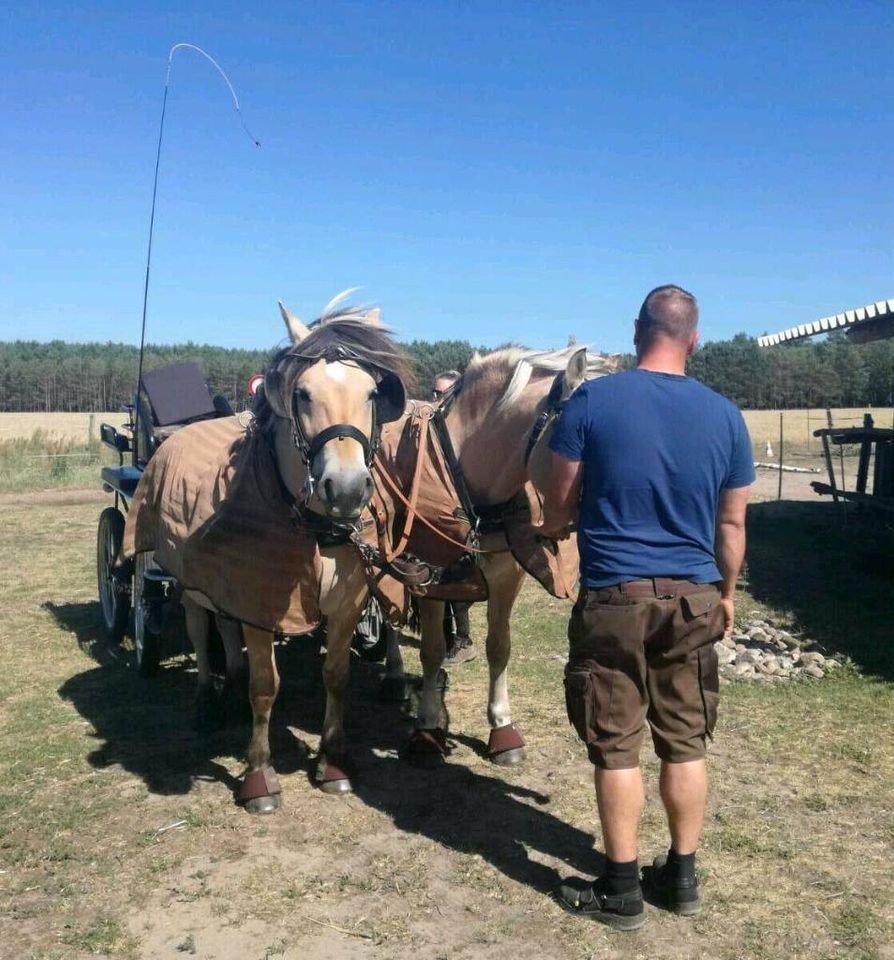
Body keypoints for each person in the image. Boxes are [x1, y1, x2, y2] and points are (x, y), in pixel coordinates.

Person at [540, 285, 754, 931]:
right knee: (685, 741)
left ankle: (622, 888)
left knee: (616, 745)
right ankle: (682, 877)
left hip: (615, 596)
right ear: (694, 339)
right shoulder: (725, 415)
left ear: (637, 333)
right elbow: (733, 523)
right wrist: (726, 593)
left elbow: (556, 503)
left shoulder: (592, 401)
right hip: (692, 596)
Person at [431, 369, 476, 666]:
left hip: (459, 516)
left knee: (457, 580)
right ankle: (446, 639)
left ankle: (463, 641)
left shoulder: (466, 436)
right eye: (434, 393)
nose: (437, 399)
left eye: (443, 394)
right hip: (432, 514)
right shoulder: (426, 429)